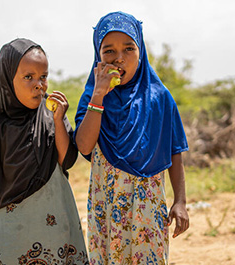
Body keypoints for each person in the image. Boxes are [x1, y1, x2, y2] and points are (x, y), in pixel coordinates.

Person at [74, 11, 190, 264]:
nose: (119, 59)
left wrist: (180, 201)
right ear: (97, 55)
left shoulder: (159, 97)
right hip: (107, 202)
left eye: (128, 49)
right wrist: (99, 96)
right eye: (109, 52)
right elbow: (83, 145)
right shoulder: (93, 96)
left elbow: (175, 150)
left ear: (141, 52)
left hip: (147, 204)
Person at [0, 38, 87, 265]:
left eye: (43, 76)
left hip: (54, 217)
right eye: (28, 77)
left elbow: (67, 160)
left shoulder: (51, 115)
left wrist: (57, 120)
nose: (39, 84)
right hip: (10, 224)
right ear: (7, 79)